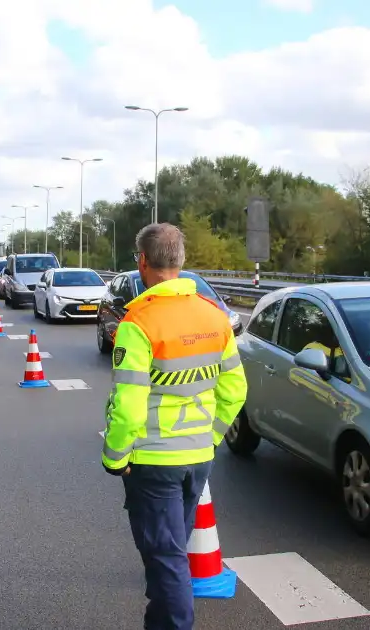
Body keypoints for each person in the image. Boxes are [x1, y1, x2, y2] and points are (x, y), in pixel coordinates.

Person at [101, 223, 248, 630]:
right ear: (181, 262)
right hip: (198, 457)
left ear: (142, 262)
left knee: (166, 564)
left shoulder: (138, 323)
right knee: (172, 555)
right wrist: (211, 436)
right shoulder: (215, 317)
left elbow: (129, 405)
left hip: (154, 461)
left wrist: (115, 457)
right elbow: (235, 390)